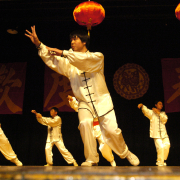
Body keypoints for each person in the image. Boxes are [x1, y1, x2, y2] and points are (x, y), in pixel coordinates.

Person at [26, 25, 140, 166]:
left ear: (84, 42)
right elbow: (53, 59)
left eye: (75, 39)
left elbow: (84, 62)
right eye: (71, 40)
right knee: (85, 124)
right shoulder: (69, 62)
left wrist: (63, 53)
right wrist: (39, 45)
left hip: (102, 100)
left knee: (112, 131)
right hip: (84, 102)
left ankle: (125, 153)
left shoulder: (97, 57)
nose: (72, 42)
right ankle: (91, 158)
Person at [67, 95, 116, 166]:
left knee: (104, 144)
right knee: (89, 144)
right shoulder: (84, 105)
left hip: (98, 126)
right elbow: (77, 107)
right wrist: (72, 100)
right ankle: (92, 161)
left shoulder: (98, 102)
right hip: (89, 127)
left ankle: (111, 160)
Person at [138, 101, 170, 166]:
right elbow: (146, 111)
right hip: (156, 135)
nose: (161, 105)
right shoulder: (152, 113)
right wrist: (142, 105)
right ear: (156, 105)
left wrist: (158, 113)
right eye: (160, 104)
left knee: (167, 145)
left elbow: (165, 120)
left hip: (164, 134)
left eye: (162, 104)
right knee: (160, 147)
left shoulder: (163, 113)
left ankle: (162, 160)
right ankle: (159, 162)